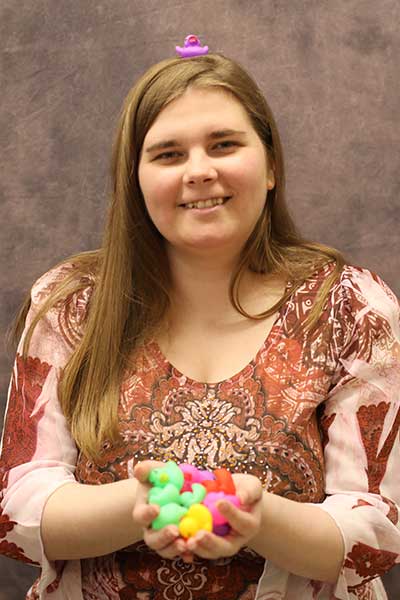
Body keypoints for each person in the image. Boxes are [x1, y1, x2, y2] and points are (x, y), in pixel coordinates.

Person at [0, 37, 399, 600]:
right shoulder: (70, 303)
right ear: (135, 181)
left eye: (224, 144)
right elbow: (18, 511)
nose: (199, 171)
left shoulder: (349, 306)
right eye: (168, 154)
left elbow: (376, 530)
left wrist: (252, 518)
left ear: (270, 166)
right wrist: (144, 505)